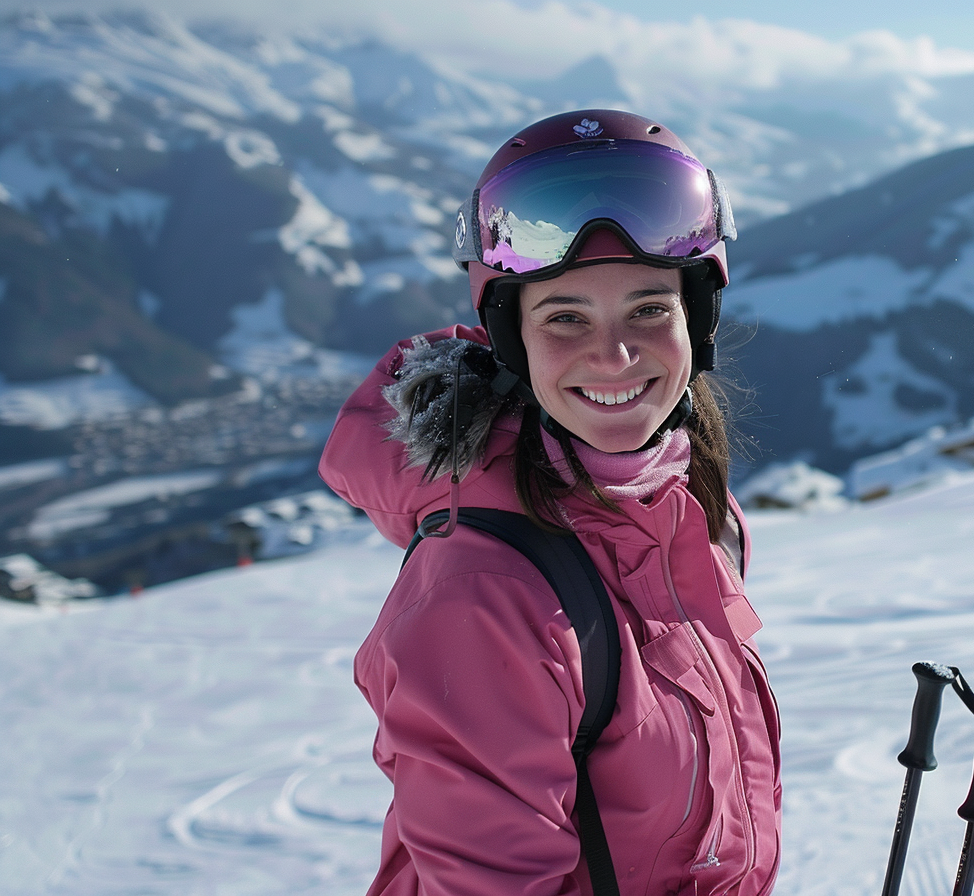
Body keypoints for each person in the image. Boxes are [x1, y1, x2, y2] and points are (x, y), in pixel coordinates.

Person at [319, 109, 782, 896]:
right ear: (513, 337)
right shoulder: (483, 597)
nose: (616, 355)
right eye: (565, 317)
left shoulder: (682, 505)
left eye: (649, 308)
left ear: (695, 320)